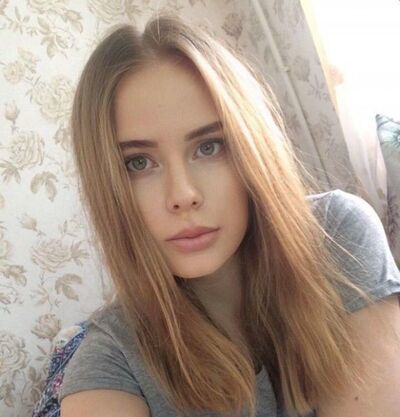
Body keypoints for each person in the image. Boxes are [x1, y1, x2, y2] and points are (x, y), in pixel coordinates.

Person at [58, 10, 400, 417]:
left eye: (209, 147)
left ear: (252, 148)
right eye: (138, 163)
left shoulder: (338, 234)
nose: (183, 195)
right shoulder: (111, 360)